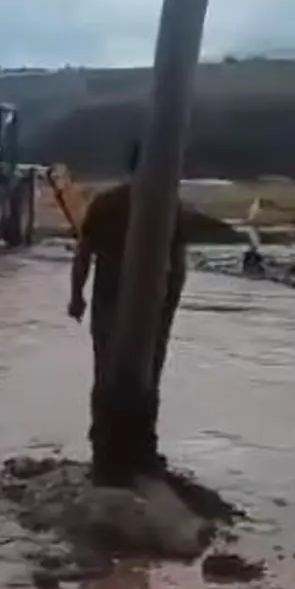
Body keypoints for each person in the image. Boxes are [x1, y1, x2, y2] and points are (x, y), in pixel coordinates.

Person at [68, 142, 187, 481]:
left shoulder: (115, 203)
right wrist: (76, 295)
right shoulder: (162, 206)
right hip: (135, 305)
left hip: (126, 304)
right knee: (141, 374)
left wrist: (76, 295)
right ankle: (128, 450)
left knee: (113, 373)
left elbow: (83, 254)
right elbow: (177, 265)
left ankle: (116, 450)